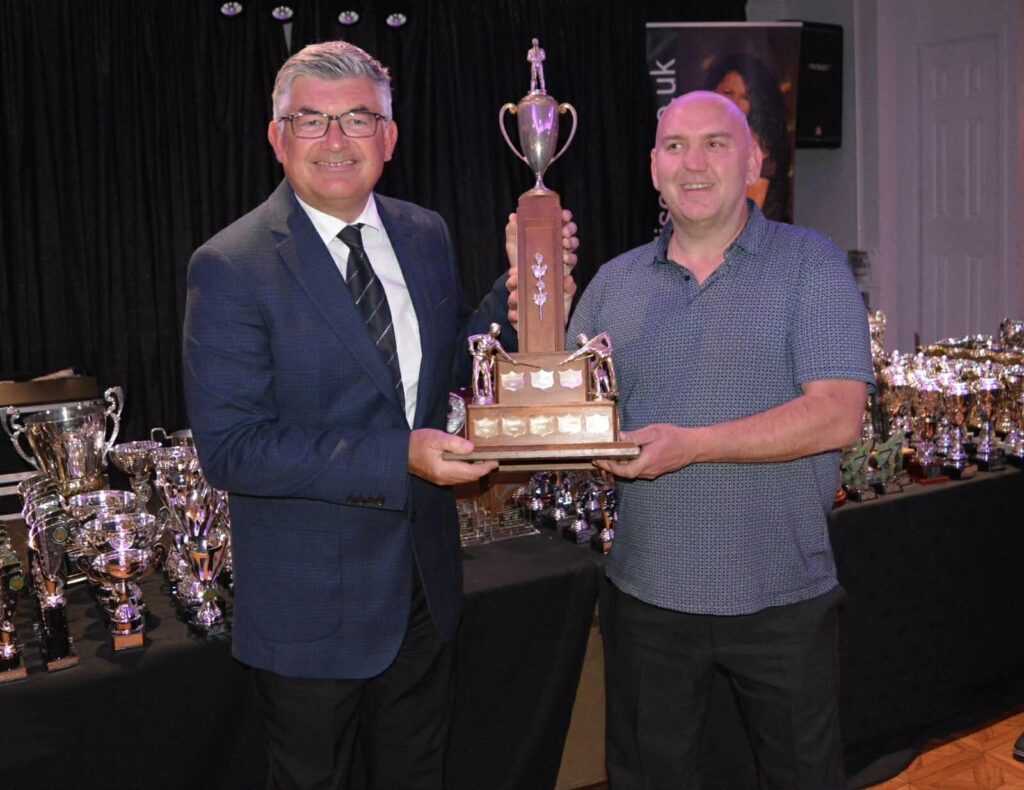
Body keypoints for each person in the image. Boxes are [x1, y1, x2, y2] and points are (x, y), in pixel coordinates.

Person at [182, 41, 575, 790]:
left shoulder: (423, 233)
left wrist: (520, 297)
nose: (335, 140)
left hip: (424, 592)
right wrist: (402, 456)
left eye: (358, 119)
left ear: (389, 138)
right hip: (308, 614)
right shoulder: (231, 265)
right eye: (312, 120)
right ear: (277, 138)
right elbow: (234, 448)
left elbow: (447, 365)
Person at [570, 91, 873, 788]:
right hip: (646, 596)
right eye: (676, 146)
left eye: (716, 143)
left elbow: (837, 415)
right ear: (654, 168)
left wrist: (694, 444)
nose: (694, 163)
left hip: (783, 596)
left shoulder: (811, 265)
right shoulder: (613, 283)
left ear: (754, 162)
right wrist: (532, 294)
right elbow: (567, 411)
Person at [705, 53, 791, 223]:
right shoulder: (705, 136)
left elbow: (747, 216)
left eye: (745, 97)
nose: (734, 104)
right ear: (713, 92)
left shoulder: (755, 145)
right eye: (728, 93)